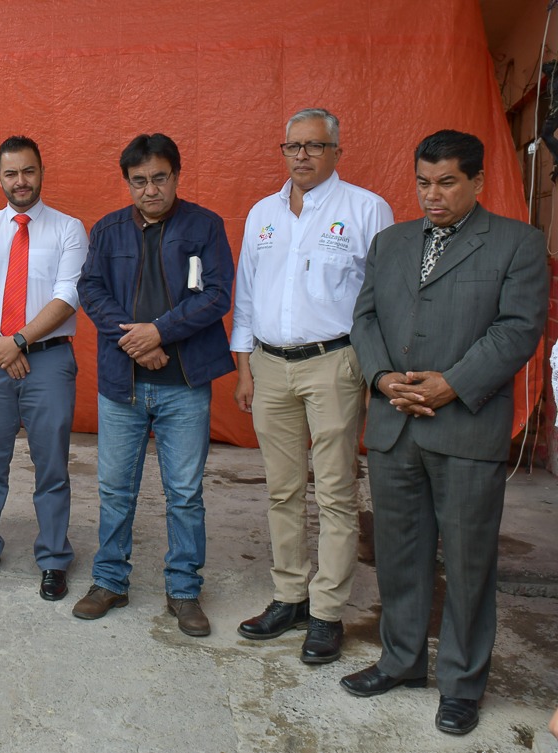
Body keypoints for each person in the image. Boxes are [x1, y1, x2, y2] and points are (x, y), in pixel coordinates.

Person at [345, 130, 547, 736]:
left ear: (478, 181)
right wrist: (382, 377)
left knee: (467, 564)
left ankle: (461, 685)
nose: (432, 195)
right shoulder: (390, 242)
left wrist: (452, 384)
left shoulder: (517, 243)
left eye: (447, 182)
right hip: (395, 423)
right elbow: (365, 317)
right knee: (399, 556)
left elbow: (518, 329)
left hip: (465, 427)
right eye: (423, 183)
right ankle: (401, 662)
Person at [230, 108, 394, 663]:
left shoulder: (366, 209)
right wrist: (245, 366)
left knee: (336, 492)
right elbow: (247, 292)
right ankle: (289, 596)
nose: (302, 155)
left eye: (314, 146)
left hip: (334, 363)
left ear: (336, 152)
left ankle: (326, 611)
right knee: (282, 489)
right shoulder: (263, 214)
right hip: (270, 364)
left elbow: (383, 299)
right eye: (292, 146)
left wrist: (373, 371)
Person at [73, 133, 234, 636]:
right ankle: (109, 581)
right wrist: (137, 342)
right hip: (122, 384)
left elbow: (217, 294)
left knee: (184, 492)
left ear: (177, 176)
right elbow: (90, 290)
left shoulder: (204, 226)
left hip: (184, 384)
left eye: (160, 178)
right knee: (114, 489)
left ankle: (184, 590)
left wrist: (160, 332)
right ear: (127, 182)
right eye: (139, 181)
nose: (150, 190)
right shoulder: (108, 230)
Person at [0, 135, 88, 600]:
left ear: (41, 172)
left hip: (48, 361)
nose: (20, 181)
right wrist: (1, 346)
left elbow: (68, 295)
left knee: (52, 465)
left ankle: (53, 558)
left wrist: (20, 341)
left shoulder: (69, 229)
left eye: (28, 171)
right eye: (11, 173)